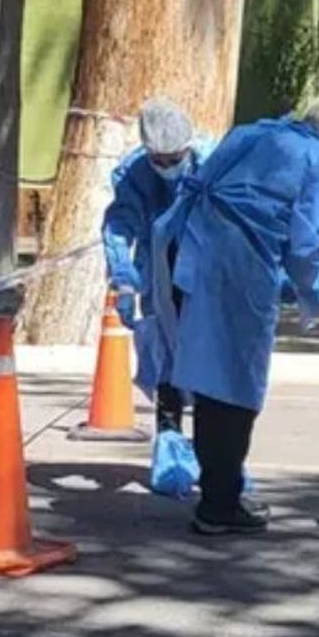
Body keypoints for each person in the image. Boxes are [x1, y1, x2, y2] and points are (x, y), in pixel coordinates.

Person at [151, 97, 319, 536]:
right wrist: (314, 296)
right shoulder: (317, 161)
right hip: (241, 272)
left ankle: (216, 494)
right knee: (238, 388)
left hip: (190, 256)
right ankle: (220, 503)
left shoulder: (251, 132)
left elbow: (201, 183)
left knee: (207, 382)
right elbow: (306, 240)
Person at [103, 97, 212, 436]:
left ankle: (216, 456)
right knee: (165, 361)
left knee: (209, 365)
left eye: (174, 159)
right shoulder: (135, 174)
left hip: (206, 272)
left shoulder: (214, 164)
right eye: (158, 160)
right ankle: (169, 442)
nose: (166, 166)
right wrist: (122, 277)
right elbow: (119, 225)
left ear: (188, 147)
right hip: (158, 271)